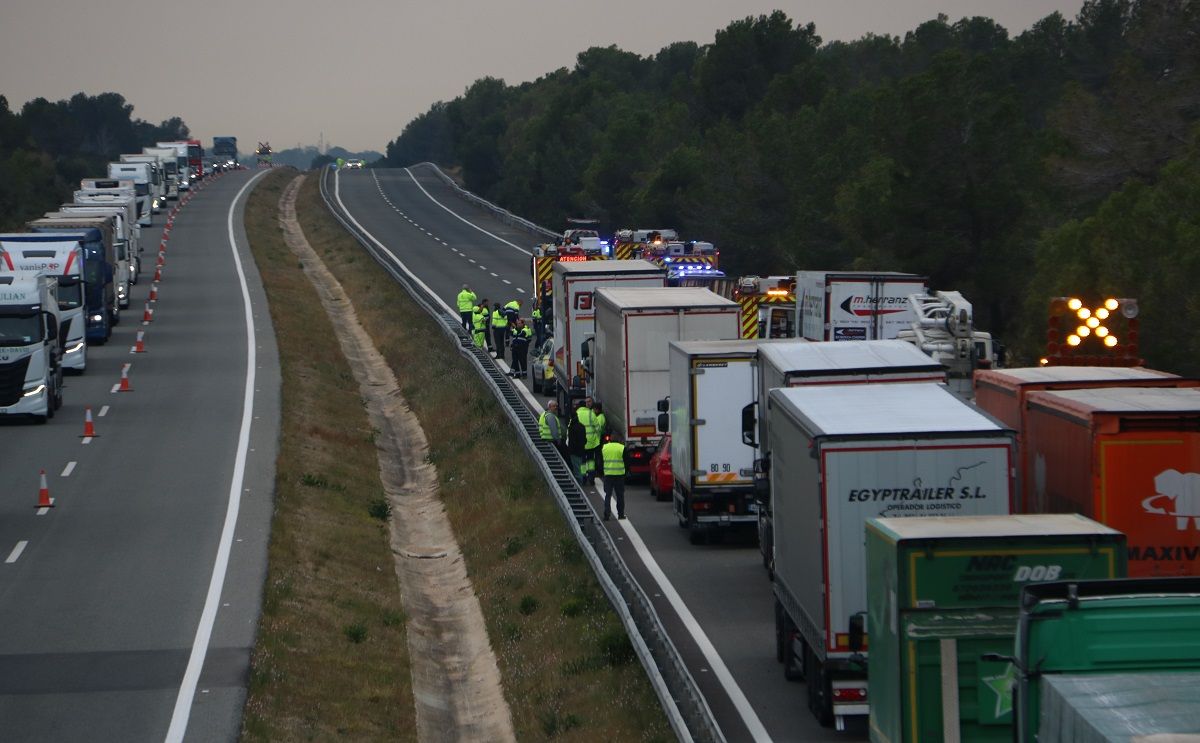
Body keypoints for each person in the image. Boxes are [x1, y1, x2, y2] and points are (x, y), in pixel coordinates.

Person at [601, 433, 626, 521]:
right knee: (620, 495)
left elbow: (601, 460)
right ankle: (621, 514)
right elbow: (626, 461)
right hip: (619, 475)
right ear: (618, 439)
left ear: (610, 439)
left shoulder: (605, 447)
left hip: (608, 475)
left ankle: (606, 514)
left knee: (608, 495)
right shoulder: (621, 448)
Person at [578, 396, 601, 485]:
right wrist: (597, 438)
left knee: (582, 461)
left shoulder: (576, 414)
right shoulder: (591, 414)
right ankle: (591, 478)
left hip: (581, 442)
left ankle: (583, 479)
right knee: (591, 460)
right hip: (591, 442)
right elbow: (598, 428)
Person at [567, 402, 588, 484]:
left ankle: (580, 483)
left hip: (574, 451)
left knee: (576, 469)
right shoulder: (582, 426)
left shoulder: (571, 427)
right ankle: (584, 478)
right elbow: (584, 439)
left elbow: (571, 440)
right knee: (582, 465)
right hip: (582, 449)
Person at [592, 401, 607, 477]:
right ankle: (598, 470)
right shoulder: (599, 416)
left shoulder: (600, 418)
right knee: (598, 455)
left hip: (599, 439)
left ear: (597, 409)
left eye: (594, 409)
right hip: (598, 439)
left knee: (598, 456)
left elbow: (598, 429)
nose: (593, 411)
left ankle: (599, 471)